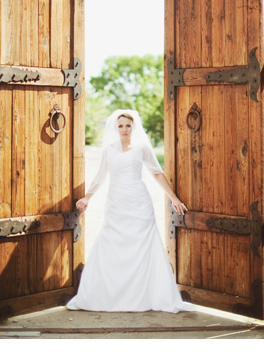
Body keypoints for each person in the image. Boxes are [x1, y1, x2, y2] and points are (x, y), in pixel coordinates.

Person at [67, 109, 197, 313]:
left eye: (128, 125)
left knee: (144, 243)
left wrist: (174, 198)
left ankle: (146, 296)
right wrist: (87, 197)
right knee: (112, 242)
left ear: (134, 127)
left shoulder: (142, 148)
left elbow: (156, 173)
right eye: (120, 126)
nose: (124, 129)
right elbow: (100, 177)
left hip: (139, 202)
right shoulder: (108, 149)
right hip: (116, 202)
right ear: (115, 128)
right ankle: (109, 296)